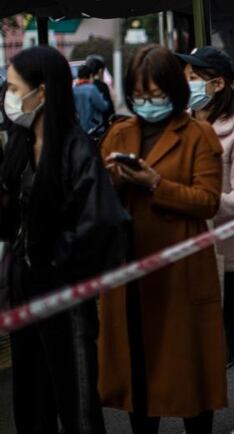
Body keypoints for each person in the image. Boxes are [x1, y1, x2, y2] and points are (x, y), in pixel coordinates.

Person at [98, 44, 227, 433]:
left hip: (180, 270)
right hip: (131, 269)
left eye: (155, 94)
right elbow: (98, 202)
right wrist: (113, 180)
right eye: (139, 94)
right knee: (138, 370)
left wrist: (156, 184)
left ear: (174, 90)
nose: (147, 102)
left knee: (189, 374)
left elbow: (207, 201)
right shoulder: (120, 132)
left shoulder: (198, 134)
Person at [0, 46, 128, 434]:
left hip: (65, 293)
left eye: (13, 86)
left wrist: (55, 258)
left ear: (42, 92)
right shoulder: (20, 144)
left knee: (76, 400)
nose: (7, 94)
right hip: (23, 289)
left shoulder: (77, 148)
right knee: (31, 398)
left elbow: (104, 222)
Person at [178, 46, 234, 434]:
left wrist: (198, 203)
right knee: (197, 348)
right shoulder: (179, 124)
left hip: (233, 259)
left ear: (217, 83)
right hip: (191, 255)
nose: (187, 83)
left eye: (195, 76)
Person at [73, 64, 109, 136]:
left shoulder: (74, 90)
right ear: (90, 76)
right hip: (93, 128)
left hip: (79, 129)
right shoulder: (92, 89)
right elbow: (103, 107)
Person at [85, 54, 115, 134]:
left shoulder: (79, 87)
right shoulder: (102, 86)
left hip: (84, 130)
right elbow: (109, 110)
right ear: (100, 71)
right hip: (100, 129)